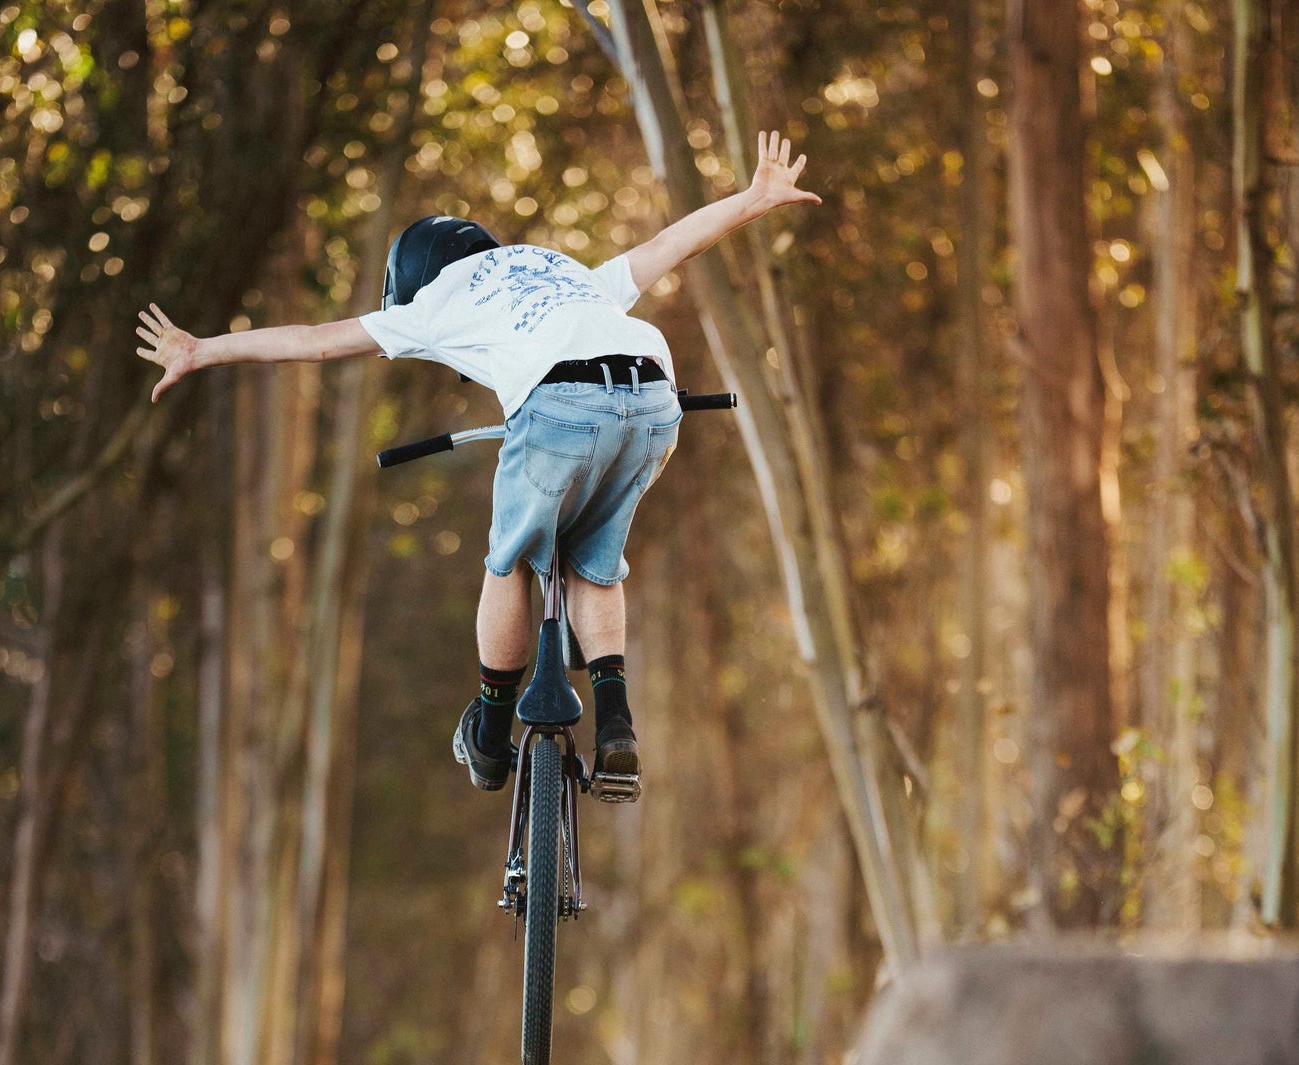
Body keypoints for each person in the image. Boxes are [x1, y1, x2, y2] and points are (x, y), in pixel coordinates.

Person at [137, 130, 819, 799]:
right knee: (597, 562)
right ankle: (616, 723)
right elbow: (667, 245)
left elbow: (317, 343)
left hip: (557, 402)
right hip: (653, 391)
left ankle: (491, 729)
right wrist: (753, 199)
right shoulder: (559, 269)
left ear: (408, 280)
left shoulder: (434, 302)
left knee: (511, 562)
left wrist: (203, 350)